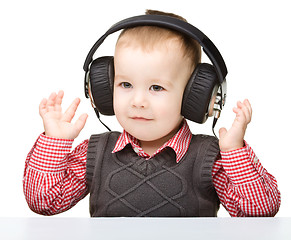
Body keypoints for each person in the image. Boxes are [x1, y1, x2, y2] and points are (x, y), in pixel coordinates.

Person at [23, 10, 281, 217]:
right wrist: (54, 142)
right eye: (125, 85)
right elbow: (45, 203)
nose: (138, 101)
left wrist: (234, 151)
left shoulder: (211, 157)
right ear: (103, 88)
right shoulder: (95, 152)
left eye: (156, 87)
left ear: (197, 96)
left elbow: (259, 211)